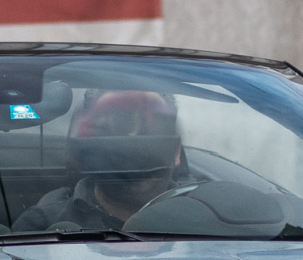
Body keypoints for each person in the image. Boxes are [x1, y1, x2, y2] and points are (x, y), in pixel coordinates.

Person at [10, 90, 185, 232]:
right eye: (117, 143)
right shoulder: (39, 228)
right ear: (89, 150)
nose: (135, 154)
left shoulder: (207, 219)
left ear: (176, 150)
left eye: (149, 141)